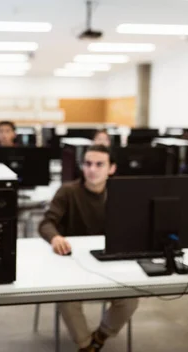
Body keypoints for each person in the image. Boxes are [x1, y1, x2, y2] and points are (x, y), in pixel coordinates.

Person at [38, 144, 138, 352]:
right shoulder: (68, 191)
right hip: (74, 266)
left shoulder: (121, 193)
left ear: (111, 168)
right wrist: (55, 237)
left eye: (99, 164)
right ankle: (86, 346)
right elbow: (46, 223)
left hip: (109, 264)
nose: (92, 169)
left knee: (131, 298)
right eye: (88, 164)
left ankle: (100, 336)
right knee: (67, 299)